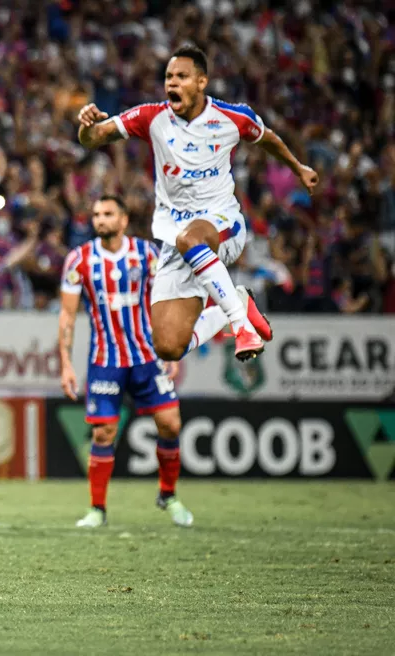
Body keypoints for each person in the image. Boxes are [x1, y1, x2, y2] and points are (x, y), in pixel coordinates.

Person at [77, 43, 318, 362]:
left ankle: (241, 326)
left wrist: (298, 168)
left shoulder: (232, 117)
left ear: (202, 82)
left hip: (223, 226)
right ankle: (238, 303)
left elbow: (267, 138)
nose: (172, 83)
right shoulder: (152, 117)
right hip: (176, 242)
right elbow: (95, 138)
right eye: (169, 77)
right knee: (167, 346)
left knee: (190, 238)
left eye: (182, 76)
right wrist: (87, 128)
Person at [59, 196, 192, 528]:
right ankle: (97, 509)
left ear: (123, 219)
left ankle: (168, 495)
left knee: (170, 423)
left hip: (147, 356)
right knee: (104, 433)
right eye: (96, 214)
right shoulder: (79, 260)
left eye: (108, 214)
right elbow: (67, 316)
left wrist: (170, 348)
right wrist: (65, 364)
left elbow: (166, 300)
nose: (100, 220)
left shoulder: (146, 254)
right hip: (106, 360)